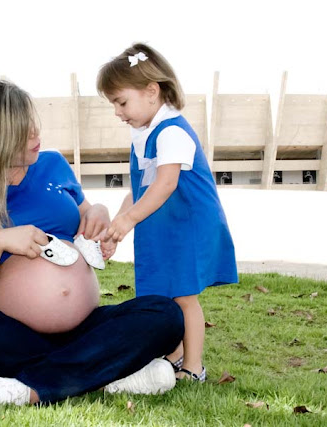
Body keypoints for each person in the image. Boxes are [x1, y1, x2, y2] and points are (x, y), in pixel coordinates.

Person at [0, 80, 184, 406]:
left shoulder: (53, 165)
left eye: (33, 123)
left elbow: (87, 213)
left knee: (165, 314)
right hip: (12, 334)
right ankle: (107, 373)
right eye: (23, 130)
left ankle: (31, 388)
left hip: (86, 325)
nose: (36, 133)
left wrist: (98, 212)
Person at [96, 43, 238, 382]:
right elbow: (141, 187)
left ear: (151, 91)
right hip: (164, 223)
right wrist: (119, 223)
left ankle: (194, 367)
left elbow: (166, 184)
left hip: (188, 224)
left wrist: (130, 220)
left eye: (121, 102)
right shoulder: (142, 134)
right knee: (160, 292)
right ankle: (173, 355)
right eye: (113, 104)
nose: (118, 112)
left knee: (183, 295)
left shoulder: (171, 131)